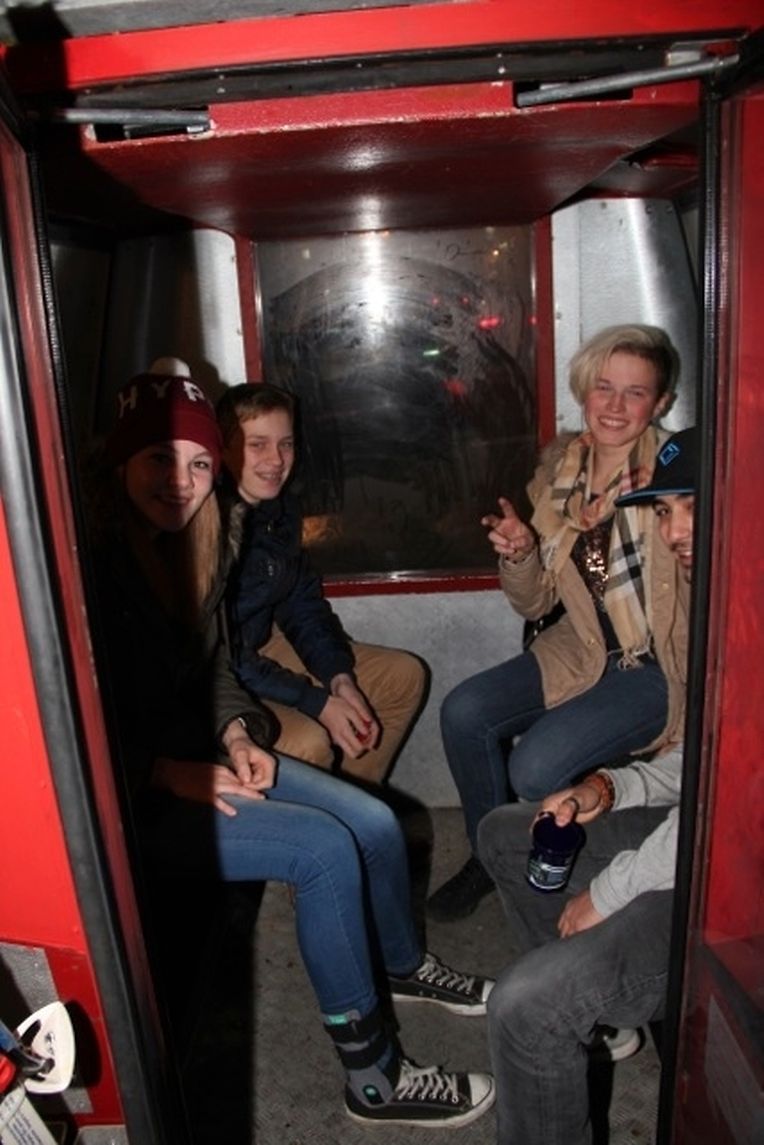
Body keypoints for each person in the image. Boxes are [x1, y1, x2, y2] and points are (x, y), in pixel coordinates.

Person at [86, 368, 495, 1129]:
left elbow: (215, 666)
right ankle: (373, 1078)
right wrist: (168, 770)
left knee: (372, 822)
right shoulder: (85, 569)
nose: (182, 481)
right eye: (159, 459)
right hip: (119, 799)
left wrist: (237, 731)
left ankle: (403, 966)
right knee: (323, 851)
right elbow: (64, 728)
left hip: (199, 753)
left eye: (199, 463)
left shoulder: (201, 540)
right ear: (119, 463)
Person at [478, 426, 696, 1145]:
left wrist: (609, 891)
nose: (676, 530)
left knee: (524, 1005)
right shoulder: (561, 488)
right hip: (589, 661)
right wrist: (605, 787)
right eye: (664, 512)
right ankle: (586, 996)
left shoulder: (720, 607)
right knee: (507, 831)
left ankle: (562, 993)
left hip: (727, 881)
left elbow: (719, 821)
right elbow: (701, 766)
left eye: (693, 509)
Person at [428, 324, 687, 921]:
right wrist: (520, 553)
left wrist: (700, 710)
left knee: (534, 768)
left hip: (655, 664)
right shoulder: (558, 476)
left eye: (636, 392)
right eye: (604, 387)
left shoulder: (679, 478)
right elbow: (535, 603)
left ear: (661, 403)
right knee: (464, 711)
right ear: (584, 390)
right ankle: (489, 857)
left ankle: (582, 861)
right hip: (585, 646)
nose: (615, 406)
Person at [216, 382, 426, 784]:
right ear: (223, 448)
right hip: (222, 673)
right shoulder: (211, 525)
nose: (276, 460)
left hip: (257, 645)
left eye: (286, 444)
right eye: (257, 445)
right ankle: (324, 812)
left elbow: (301, 601)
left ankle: (354, 803)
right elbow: (225, 655)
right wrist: (316, 702)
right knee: (311, 742)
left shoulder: (278, 509)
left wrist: (337, 676)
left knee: (402, 676)